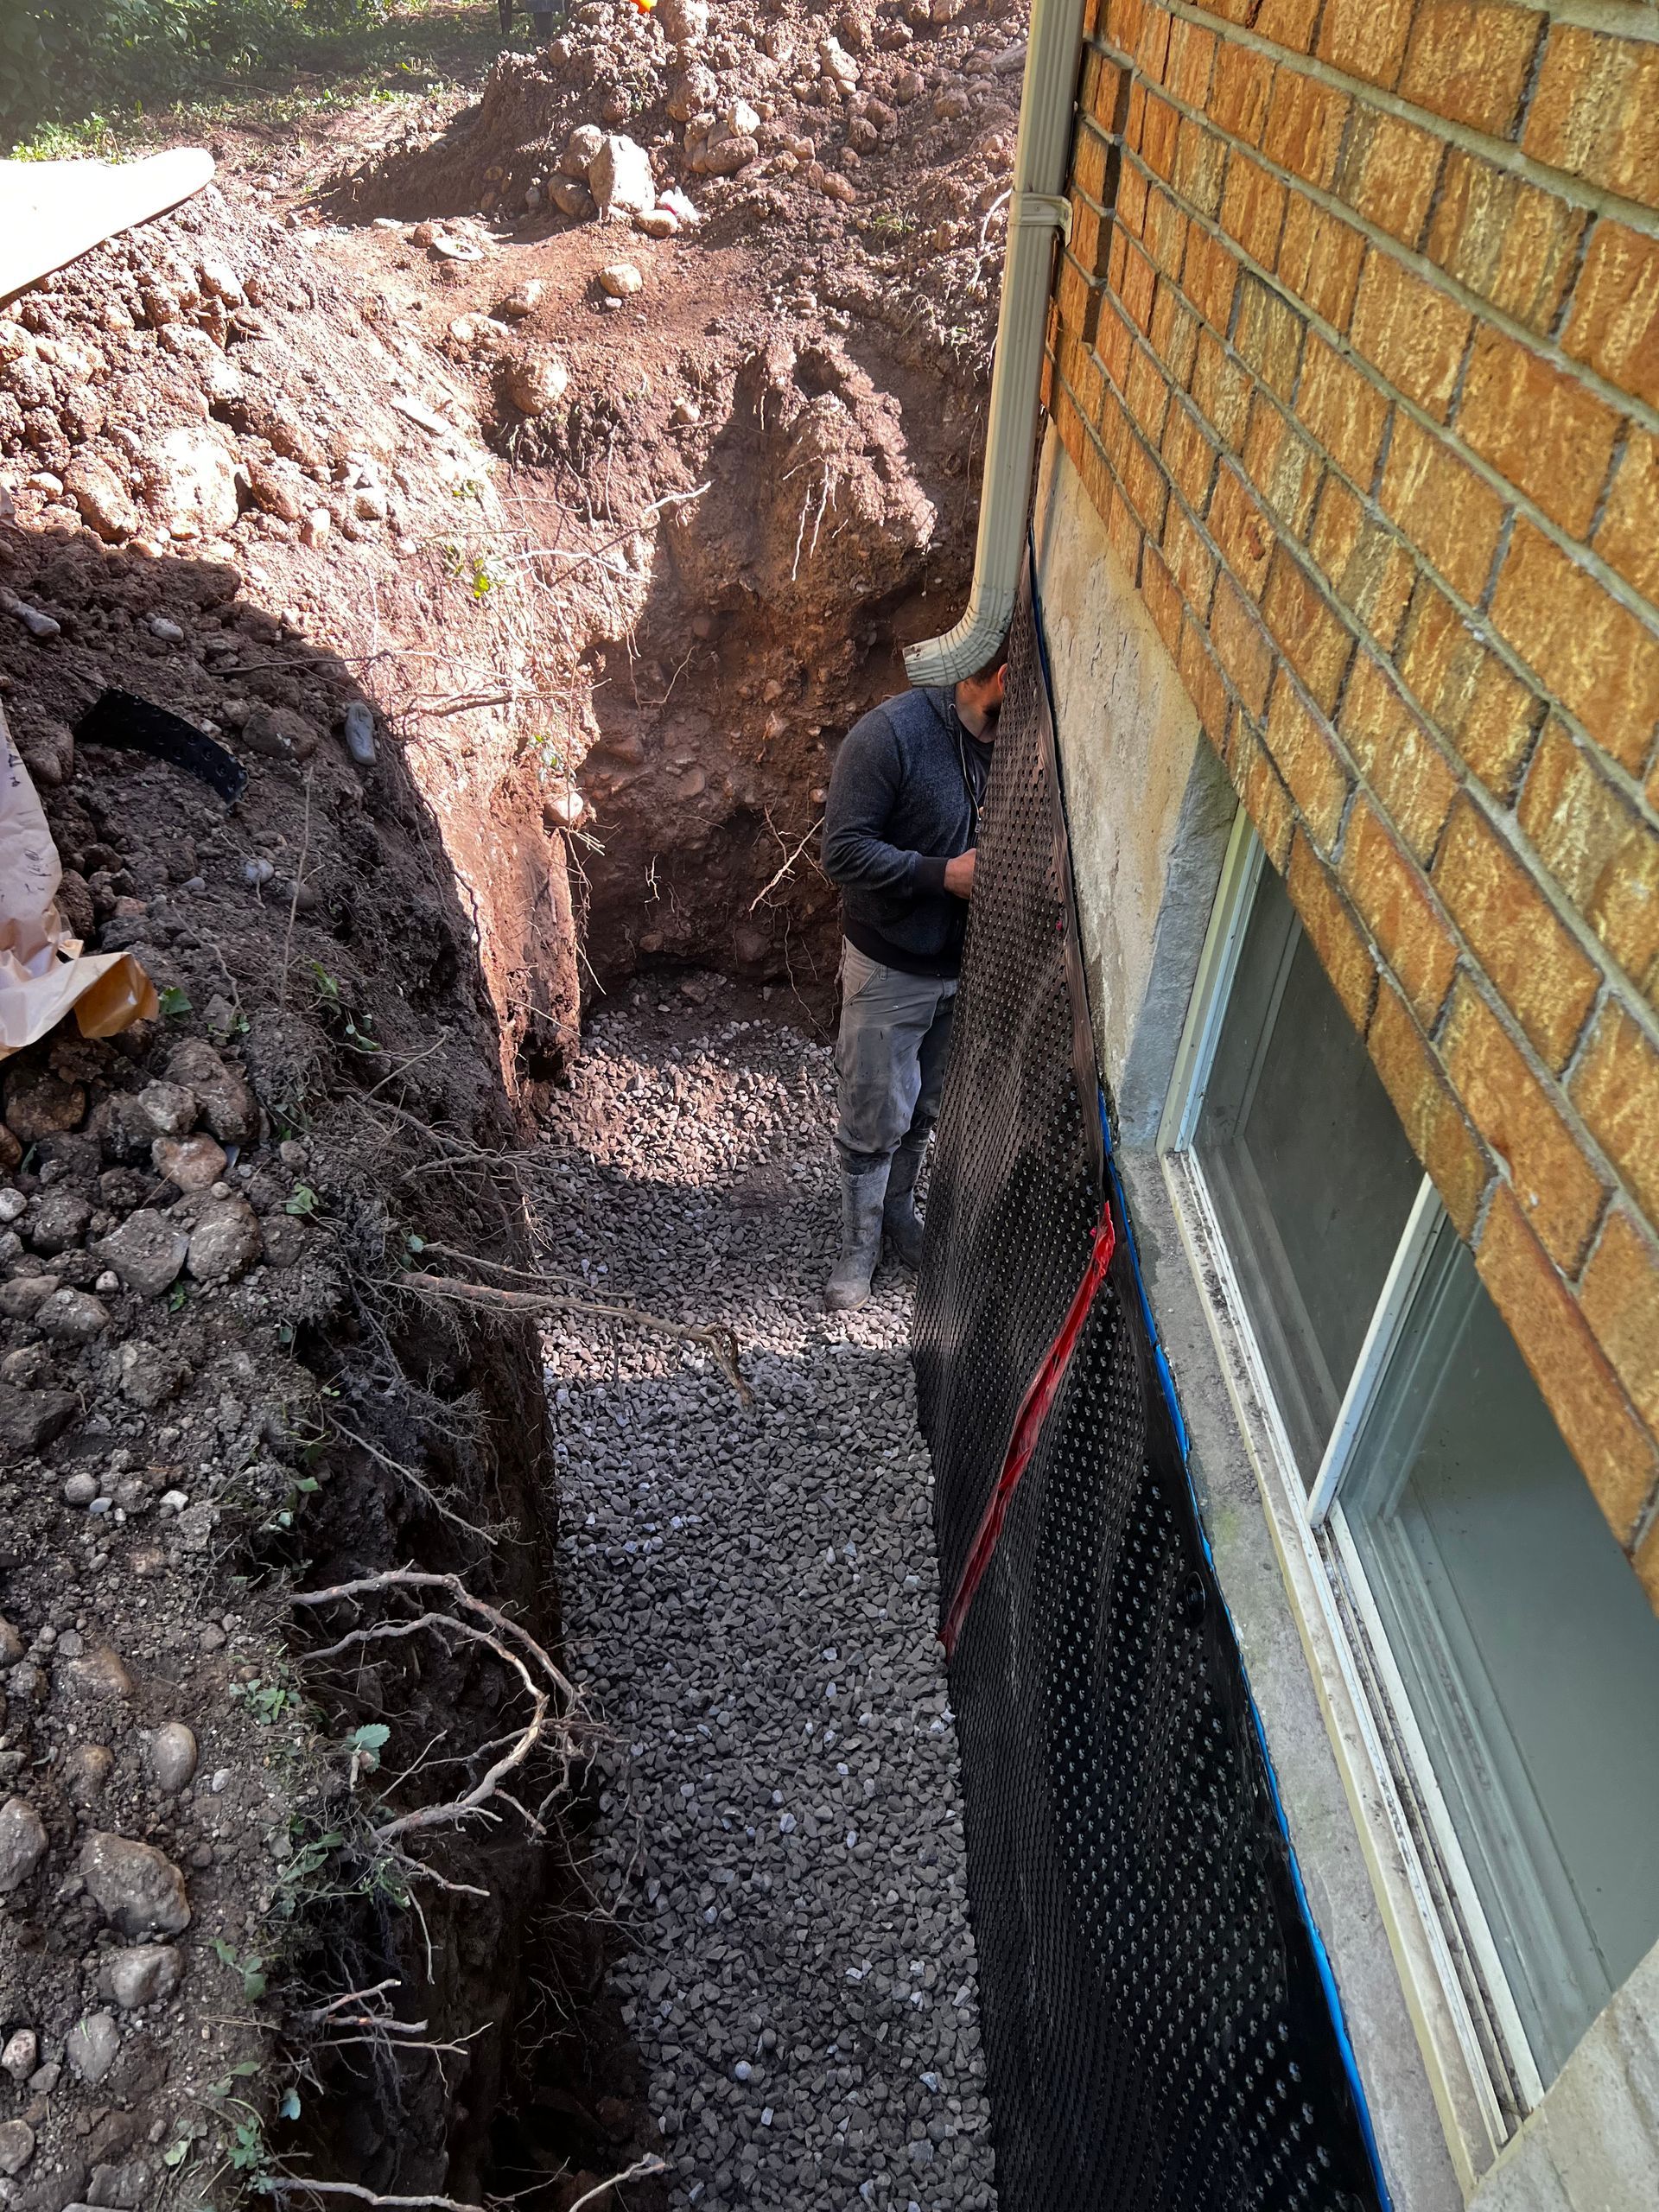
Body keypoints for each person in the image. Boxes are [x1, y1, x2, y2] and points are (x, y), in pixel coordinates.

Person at [818, 647, 1007, 1312]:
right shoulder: (891, 735)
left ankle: (897, 1214)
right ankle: (858, 1246)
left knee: (923, 1107)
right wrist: (943, 875)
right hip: (890, 965)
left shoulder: (1015, 743)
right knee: (873, 1114)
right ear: (1004, 677)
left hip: (969, 971)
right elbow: (841, 851)